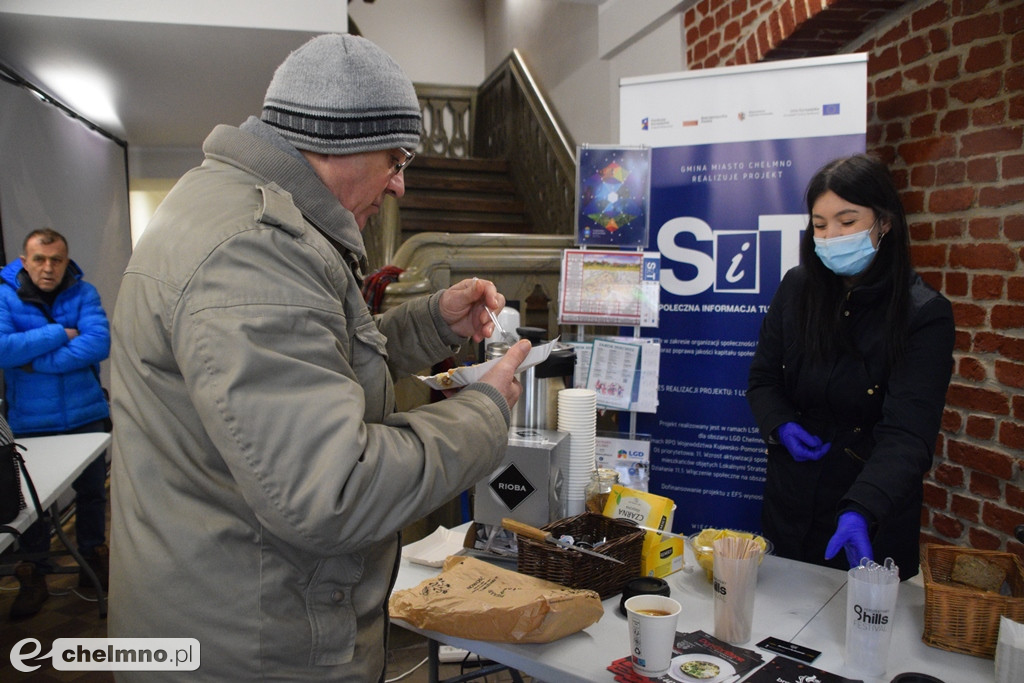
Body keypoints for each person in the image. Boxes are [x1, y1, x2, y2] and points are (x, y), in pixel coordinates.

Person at [108, 33, 529, 681]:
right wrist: (485, 411)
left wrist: (428, 322)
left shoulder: (233, 212)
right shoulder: (253, 252)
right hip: (255, 646)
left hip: (235, 616)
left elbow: (316, 370)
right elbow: (333, 488)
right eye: (394, 159)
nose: (399, 185)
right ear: (341, 142)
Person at [747, 154, 954, 581]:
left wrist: (863, 509)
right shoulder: (797, 288)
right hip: (790, 501)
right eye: (820, 225)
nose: (831, 236)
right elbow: (764, 378)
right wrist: (781, 423)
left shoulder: (924, 314)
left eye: (846, 221)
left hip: (868, 514)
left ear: (885, 222)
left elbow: (908, 434)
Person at [0, 228, 111, 619]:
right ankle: (35, 575)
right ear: (23, 260)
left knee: (93, 495)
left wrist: (32, 361)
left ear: (67, 260)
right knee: (30, 506)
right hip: (31, 422)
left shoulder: (84, 293)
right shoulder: (3, 294)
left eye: (57, 260)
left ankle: (92, 560)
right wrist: (57, 334)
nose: (48, 268)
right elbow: (2, 348)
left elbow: (98, 343)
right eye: (39, 259)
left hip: (86, 415)